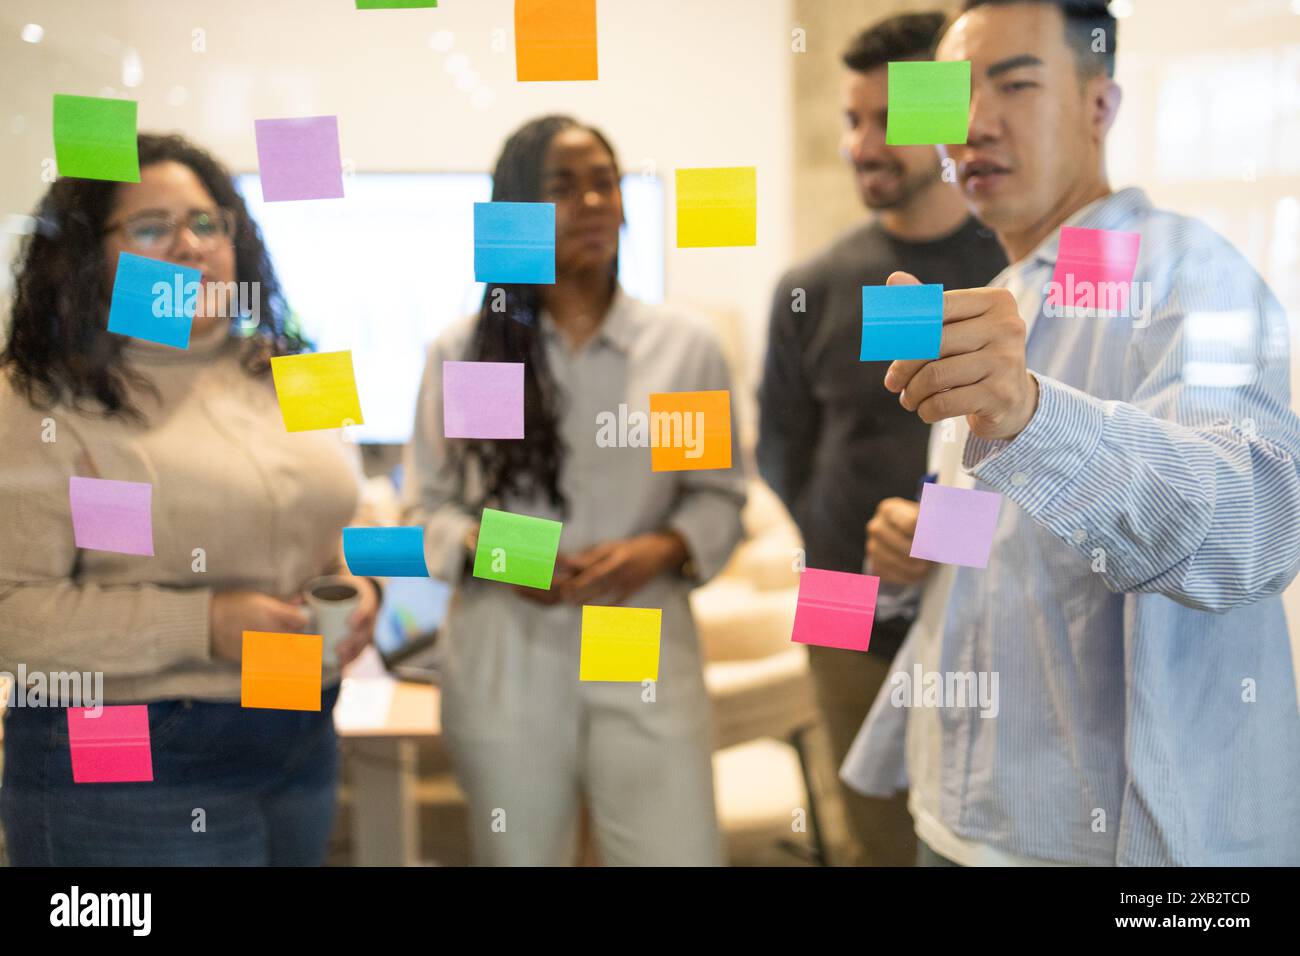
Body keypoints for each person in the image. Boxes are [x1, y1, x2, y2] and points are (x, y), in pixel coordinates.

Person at [845, 0, 1300, 866]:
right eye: (951, 97)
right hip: (950, 815)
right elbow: (1007, 546)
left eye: (1015, 85)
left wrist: (1029, 415)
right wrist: (914, 562)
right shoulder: (1006, 287)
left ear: (1100, 107)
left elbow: (1259, 524)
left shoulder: (1188, 271)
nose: (973, 124)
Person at [0, 133, 378, 866]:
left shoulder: (300, 364)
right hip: (123, 751)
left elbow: (360, 512)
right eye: (152, 227)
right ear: (88, 256)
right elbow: (11, 616)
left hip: (299, 731)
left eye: (208, 223)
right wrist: (203, 624)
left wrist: (362, 583)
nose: (189, 246)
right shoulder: (36, 396)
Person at [402, 115, 746, 866]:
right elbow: (425, 509)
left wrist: (658, 548)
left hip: (636, 630)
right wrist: (497, 549)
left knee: (675, 853)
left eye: (605, 182)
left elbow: (718, 497)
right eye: (563, 188)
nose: (593, 202)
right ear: (516, 215)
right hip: (508, 644)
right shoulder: (468, 354)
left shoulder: (681, 348)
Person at [757, 12, 1005, 866]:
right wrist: (844, 551)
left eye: (884, 121)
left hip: (986, 614)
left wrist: (945, 541)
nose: (860, 144)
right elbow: (782, 453)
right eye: (851, 120)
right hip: (839, 605)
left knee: (974, 838)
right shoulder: (813, 285)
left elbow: (1061, 445)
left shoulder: (1015, 273)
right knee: (871, 842)